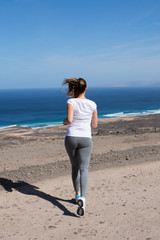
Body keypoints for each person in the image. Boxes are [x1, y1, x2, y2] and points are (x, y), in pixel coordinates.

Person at [63, 78, 98, 216]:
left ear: (74, 89)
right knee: (84, 169)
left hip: (71, 137)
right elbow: (94, 125)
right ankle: (83, 198)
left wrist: (64, 121)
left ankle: (77, 195)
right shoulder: (93, 104)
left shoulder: (71, 102)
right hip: (86, 139)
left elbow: (69, 119)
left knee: (75, 167)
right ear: (86, 88)